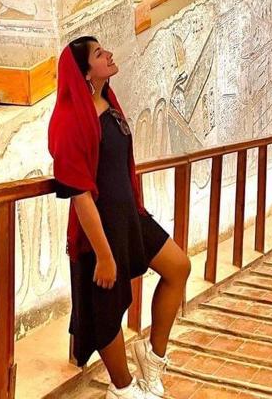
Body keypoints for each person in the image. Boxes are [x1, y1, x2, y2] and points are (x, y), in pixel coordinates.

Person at [48, 37, 191, 398]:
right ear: (85, 72)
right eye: (99, 54)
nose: (109, 54)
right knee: (107, 311)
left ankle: (152, 358)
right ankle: (123, 388)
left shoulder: (108, 102)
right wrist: (104, 255)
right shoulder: (70, 120)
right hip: (100, 226)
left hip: (128, 216)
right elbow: (80, 194)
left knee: (178, 267)